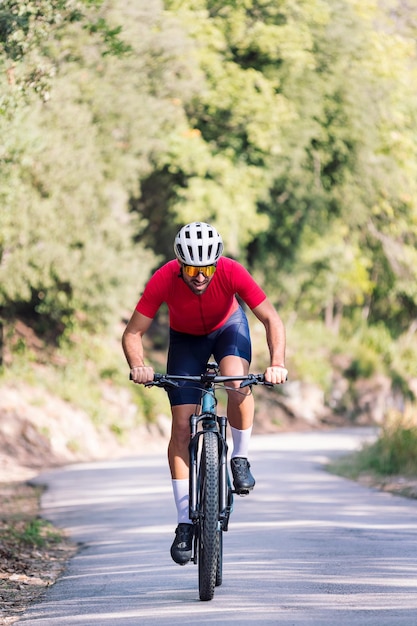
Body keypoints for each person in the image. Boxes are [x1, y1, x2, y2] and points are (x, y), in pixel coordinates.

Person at [122, 222, 287, 565]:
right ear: (180, 265)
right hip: (186, 341)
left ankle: (239, 457)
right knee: (182, 427)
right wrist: (139, 365)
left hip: (228, 329)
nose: (201, 276)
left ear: (217, 263)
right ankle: (184, 522)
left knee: (236, 382)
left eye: (207, 268)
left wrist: (277, 363)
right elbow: (133, 333)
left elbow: (271, 319)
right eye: (193, 269)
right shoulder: (163, 278)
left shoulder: (231, 272)